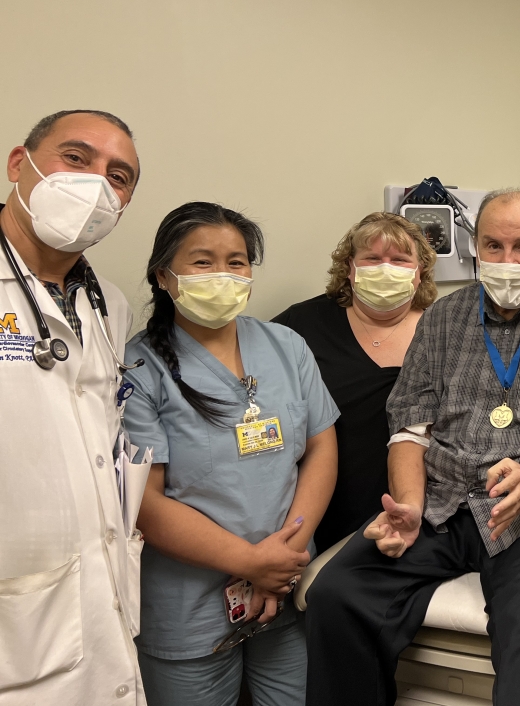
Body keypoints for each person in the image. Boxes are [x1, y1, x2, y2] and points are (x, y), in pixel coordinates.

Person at [305, 189, 520, 706]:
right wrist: (408, 505)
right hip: (443, 503)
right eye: (493, 246)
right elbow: (409, 426)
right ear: (474, 250)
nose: (507, 260)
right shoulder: (443, 319)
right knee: (338, 595)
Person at [122, 202, 339, 706]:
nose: (224, 274)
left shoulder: (286, 345)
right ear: (164, 275)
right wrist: (250, 561)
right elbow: (145, 502)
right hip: (187, 607)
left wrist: (282, 560)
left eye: (237, 261)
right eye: (203, 261)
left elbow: (321, 445)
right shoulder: (138, 367)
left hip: (285, 592)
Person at [0, 110, 145, 705]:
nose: (96, 185)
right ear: (19, 163)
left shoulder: (107, 303)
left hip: (101, 605)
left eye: (119, 176)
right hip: (19, 623)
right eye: (76, 158)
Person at [273, 212, 438, 553]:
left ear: (419, 272)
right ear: (350, 269)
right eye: (373, 259)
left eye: (399, 260)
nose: (386, 268)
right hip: (318, 509)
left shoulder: (444, 332)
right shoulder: (302, 324)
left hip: (421, 514)